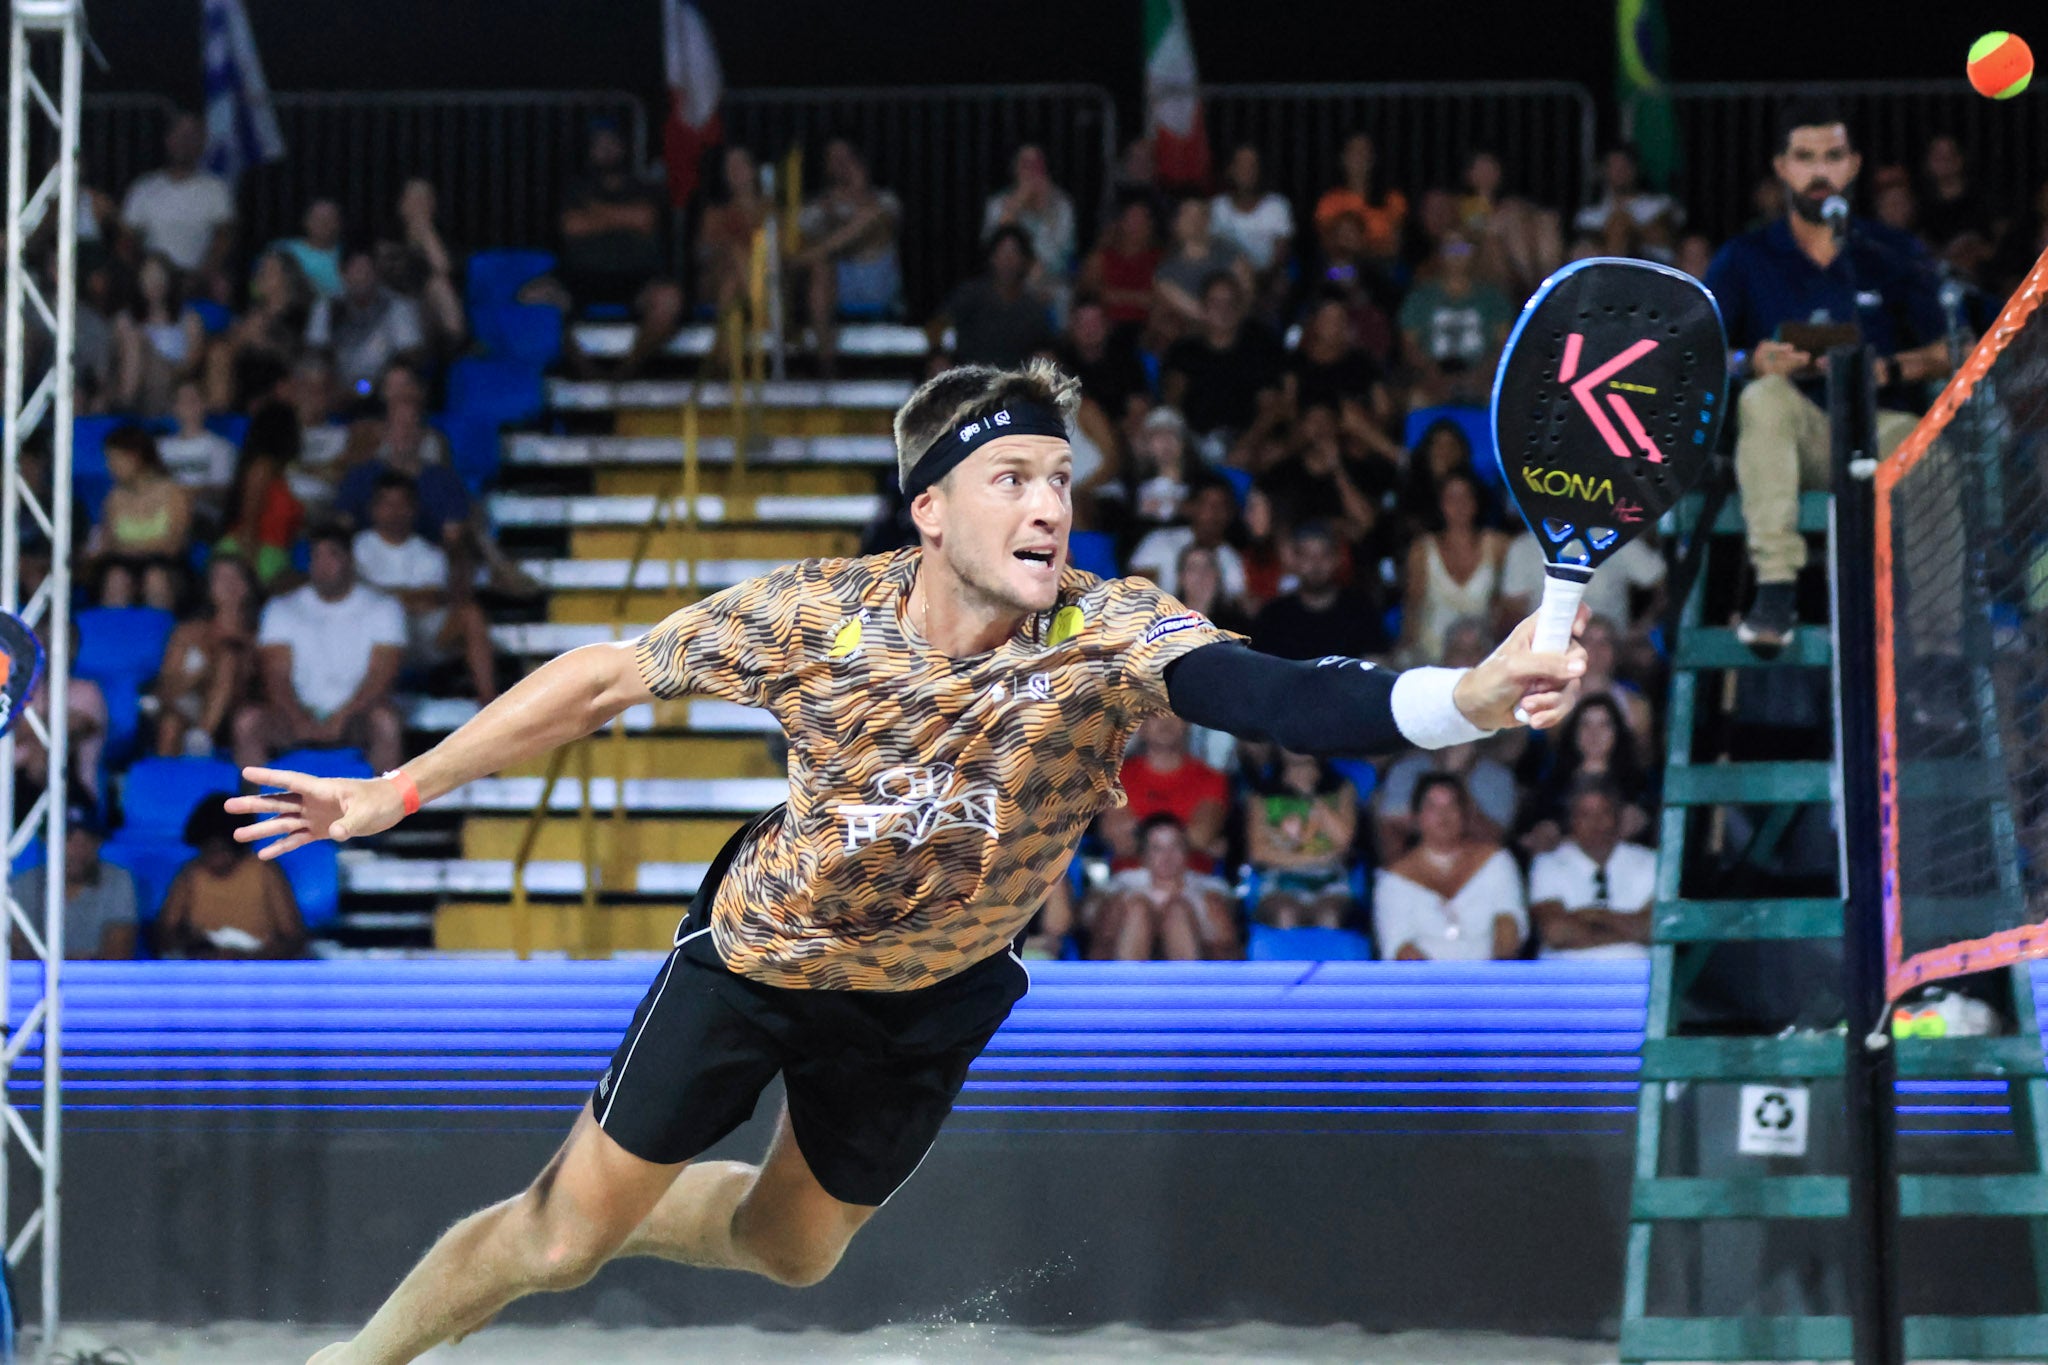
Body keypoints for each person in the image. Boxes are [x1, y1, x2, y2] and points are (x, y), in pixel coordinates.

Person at [230, 358, 1585, 1365]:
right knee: (559, 1238)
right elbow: (601, 678)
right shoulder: (817, 614)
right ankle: (353, 1360)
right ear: (931, 509)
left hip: (932, 991)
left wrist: (1468, 695)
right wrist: (395, 789)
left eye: (1062, 478)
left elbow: (1287, 697)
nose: (1050, 501)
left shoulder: (1113, 634)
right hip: (762, 956)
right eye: (1015, 478)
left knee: (794, 1255)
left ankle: (639, 1200)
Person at [1705, 99, 1949, 653]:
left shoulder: (1890, 250)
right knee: (1765, 398)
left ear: (1854, 164)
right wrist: (1750, 361)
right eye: (1805, 157)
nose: (1820, 172)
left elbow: (1950, 349)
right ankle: (1775, 590)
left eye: (1833, 157)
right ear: (1781, 167)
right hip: (1794, 435)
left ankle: (1940, 650)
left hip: (1877, 425)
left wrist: (1890, 368)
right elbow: (1692, 352)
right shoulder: (1746, 255)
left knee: (1935, 451)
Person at [234, 525, 406, 775]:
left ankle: (386, 809)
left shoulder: (384, 608)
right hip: (294, 716)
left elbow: (380, 677)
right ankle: (252, 809)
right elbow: (276, 677)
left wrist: (341, 718)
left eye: (332, 555)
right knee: (247, 722)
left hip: (355, 719)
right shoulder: (282, 608)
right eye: (316, 556)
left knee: (385, 722)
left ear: (349, 560)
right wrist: (299, 719)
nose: (323, 565)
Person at [536, 122, 684, 379]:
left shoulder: (643, 186)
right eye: (599, 144)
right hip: (580, 276)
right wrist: (623, 217)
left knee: (670, 299)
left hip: (636, 276)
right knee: (534, 297)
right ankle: (585, 370)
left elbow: (645, 219)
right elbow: (572, 226)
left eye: (611, 142)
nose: (606, 149)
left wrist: (595, 212)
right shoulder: (575, 188)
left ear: (623, 147)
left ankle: (626, 370)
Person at [353, 474, 499, 703]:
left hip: (420, 635)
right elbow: (356, 598)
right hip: (370, 637)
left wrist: (384, 594)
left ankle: (488, 700)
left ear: (414, 509)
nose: (395, 511)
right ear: (373, 509)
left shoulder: (428, 553)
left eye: (402, 504)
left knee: (470, 614)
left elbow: (431, 599)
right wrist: (405, 598)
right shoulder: (356, 549)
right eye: (387, 503)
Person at [1374, 772, 1526, 961]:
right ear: (1416, 817)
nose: (1443, 815)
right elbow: (1398, 945)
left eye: (1451, 805)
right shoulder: (1394, 879)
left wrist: (1495, 977)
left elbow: (1508, 923)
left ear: (1465, 814)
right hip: (1425, 986)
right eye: (1432, 807)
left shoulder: (1496, 861)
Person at [794, 139, 904, 375]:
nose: (842, 166)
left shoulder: (885, 202)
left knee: (869, 221)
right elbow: (803, 236)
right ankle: (827, 365)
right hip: (836, 286)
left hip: (876, 283)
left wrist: (834, 229)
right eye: (835, 160)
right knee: (820, 268)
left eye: (847, 159)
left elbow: (872, 228)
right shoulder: (817, 209)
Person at [157, 795, 306, 959]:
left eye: (222, 850)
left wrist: (248, 959)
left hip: (258, 965)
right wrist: (198, 950)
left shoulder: (265, 872)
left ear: (239, 848)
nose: (215, 859)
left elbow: (293, 937)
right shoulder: (191, 874)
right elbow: (166, 932)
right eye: (208, 850)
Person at [1528, 779, 1654, 961]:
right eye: (1585, 815)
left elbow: (1651, 929)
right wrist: (1628, 927)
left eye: (1604, 813)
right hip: (1566, 983)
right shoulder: (1547, 864)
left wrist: (1593, 915)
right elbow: (1557, 932)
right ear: (1571, 820)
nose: (1596, 823)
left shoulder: (1649, 861)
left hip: (1635, 981)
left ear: (1618, 817)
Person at [1084, 813, 1239, 961]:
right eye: (1157, 848)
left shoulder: (1208, 891)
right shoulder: (1121, 888)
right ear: (1143, 855)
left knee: (1177, 912)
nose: (1167, 857)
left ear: (1186, 851)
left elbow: (1229, 954)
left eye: (1175, 847)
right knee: (1138, 909)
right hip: (1126, 970)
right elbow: (1099, 946)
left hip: (1195, 970)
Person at [1517, 693, 1655, 856]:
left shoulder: (1637, 784)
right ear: (1574, 732)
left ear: (1617, 732)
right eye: (1585, 725)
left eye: (1604, 725)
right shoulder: (1552, 786)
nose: (1594, 733)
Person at [117, 113, 235, 301]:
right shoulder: (144, 188)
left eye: (191, 136)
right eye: (179, 135)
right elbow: (126, 240)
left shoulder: (215, 189)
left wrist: (201, 275)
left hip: (198, 280)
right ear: (168, 140)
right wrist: (141, 273)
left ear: (202, 142)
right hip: (151, 281)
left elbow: (224, 238)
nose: (184, 142)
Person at [1091, 712, 1230, 871]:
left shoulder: (1212, 778)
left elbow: (1201, 837)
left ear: (1188, 723)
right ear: (1139, 725)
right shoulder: (1116, 777)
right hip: (1132, 880)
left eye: (1174, 714)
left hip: (1194, 880)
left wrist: (1140, 831)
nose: (1165, 722)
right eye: (1154, 715)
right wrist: (1187, 838)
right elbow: (1121, 841)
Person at [1160, 272, 1284, 449]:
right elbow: (1173, 400)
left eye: (1229, 302)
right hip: (1194, 444)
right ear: (1203, 307)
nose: (1223, 309)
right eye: (1215, 302)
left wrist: (1245, 446)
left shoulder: (1259, 348)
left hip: (1243, 444)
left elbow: (1270, 407)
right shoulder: (1183, 351)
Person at [155, 554, 261, 758]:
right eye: (220, 578)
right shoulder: (188, 633)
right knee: (170, 725)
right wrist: (198, 676)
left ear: (247, 586)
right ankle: (165, 783)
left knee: (228, 660)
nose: (227, 585)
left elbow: (257, 685)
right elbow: (166, 687)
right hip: (189, 705)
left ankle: (203, 736)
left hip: (235, 713)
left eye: (234, 577)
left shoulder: (258, 636)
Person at [1400, 468, 1509, 666]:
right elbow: (1412, 608)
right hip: (1431, 656)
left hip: (1481, 657)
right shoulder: (1422, 550)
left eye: (1465, 497)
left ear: (1476, 502)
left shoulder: (1498, 545)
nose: (1459, 505)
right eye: (1451, 498)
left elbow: (1506, 605)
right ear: (1440, 504)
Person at [9, 794, 135, 961]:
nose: (79, 850)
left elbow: (117, 957)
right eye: (68, 839)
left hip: (98, 985)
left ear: (99, 843)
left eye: (88, 839)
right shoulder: (24, 885)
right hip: (37, 985)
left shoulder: (118, 881)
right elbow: (11, 956)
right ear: (46, 841)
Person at [1398, 230, 1513, 407]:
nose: (1456, 255)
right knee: (1417, 399)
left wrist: (1480, 376)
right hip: (1434, 376)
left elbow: (1504, 345)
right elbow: (1409, 346)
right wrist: (1433, 376)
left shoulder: (1493, 298)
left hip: (1482, 377)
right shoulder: (1421, 297)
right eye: (1450, 248)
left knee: (1497, 399)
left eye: (1462, 248)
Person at [1246, 749, 1357, 931]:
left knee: (1329, 917)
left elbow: (1344, 840)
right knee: (1286, 915)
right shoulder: (1262, 795)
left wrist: (1310, 795)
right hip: (1278, 882)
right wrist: (1317, 859)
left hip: (1331, 882)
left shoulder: (1342, 788)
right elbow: (1259, 852)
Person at [1249, 521, 1391, 663]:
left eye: (1324, 555)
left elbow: (1376, 662)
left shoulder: (1360, 609)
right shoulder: (1274, 616)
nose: (1316, 564)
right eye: (1307, 556)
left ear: (1337, 559)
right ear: (1295, 560)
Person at [88, 424, 192, 611]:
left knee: (155, 579)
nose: (110, 466)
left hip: (167, 567)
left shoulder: (174, 493)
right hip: (122, 565)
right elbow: (108, 544)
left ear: (135, 457)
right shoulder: (114, 498)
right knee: (116, 579)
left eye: (114, 459)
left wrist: (132, 548)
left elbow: (174, 545)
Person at [1373, 734, 1518, 860]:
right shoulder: (1406, 770)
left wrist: (1459, 780)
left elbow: (1493, 840)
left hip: (1474, 872)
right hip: (1413, 870)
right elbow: (1390, 832)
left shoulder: (1498, 777)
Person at [306, 249, 427, 398]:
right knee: (313, 373)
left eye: (366, 270)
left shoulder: (398, 306)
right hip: (338, 387)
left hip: (382, 387)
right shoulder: (327, 307)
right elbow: (316, 349)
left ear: (377, 273)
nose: (362, 277)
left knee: (400, 377)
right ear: (344, 274)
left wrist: (369, 386)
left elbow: (410, 353)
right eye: (356, 270)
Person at [931, 226, 1055, 370]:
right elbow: (937, 325)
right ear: (992, 257)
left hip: (1014, 384)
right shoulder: (970, 295)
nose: (1008, 260)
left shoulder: (1033, 308)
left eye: (1014, 253)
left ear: (1024, 261)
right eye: (1003, 253)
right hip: (969, 379)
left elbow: (1045, 348)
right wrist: (939, 355)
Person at [216, 402, 308, 587]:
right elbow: (249, 521)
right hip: (253, 554)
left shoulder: (280, 472)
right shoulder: (261, 468)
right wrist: (250, 573)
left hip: (276, 556)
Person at [112, 252, 205, 417]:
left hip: (175, 381)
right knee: (135, 342)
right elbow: (116, 358)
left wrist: (168, 372)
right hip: (139, 384)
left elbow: (193, 361)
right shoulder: (125, 319)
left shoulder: (189, 319)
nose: (155, 283)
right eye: (149, 277)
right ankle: (125, 403)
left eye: (160, 276)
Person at [981, 144, 1076, 300]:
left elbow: (1059, 260)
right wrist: (1013, 210)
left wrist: (1046, 211)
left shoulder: (1062, 205)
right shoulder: (998, 204)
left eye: (1037, 165)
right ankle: (931, 326)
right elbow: (993, 249)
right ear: (1015, 169)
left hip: (1052, 284)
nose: (1031, 171)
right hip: (1004, 284)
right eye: (1025, 164)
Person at [1210, 144, 1295, 315]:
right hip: (1224, 281)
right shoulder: (1217, 207)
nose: (1246, 171)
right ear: (1230, 170)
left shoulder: (1276, 206)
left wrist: (1255, 280)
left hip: (1266, 280)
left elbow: (1280, 256)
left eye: (1252, 165)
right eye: (1241, 165)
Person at [1128, 482, 1245, 602]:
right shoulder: (1160, 541)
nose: (1214, 512)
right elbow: (1137, 594)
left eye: (1221, 505)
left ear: (1230, 513)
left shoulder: (1232, 559)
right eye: (1207, 504)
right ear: (1190, 508)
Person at [1153, 196, 1254, 330]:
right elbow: (1198, 313)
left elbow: (1247, 294)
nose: (1196, 221)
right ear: (1175, 223)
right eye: (1188, 215)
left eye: (1201, 214)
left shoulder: (1232, 254)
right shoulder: (1165, 275)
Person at [1573, 144, 1684, 263]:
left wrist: (1627, 226)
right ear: (1602, 171)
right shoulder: (1588, 216)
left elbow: (1669, 237)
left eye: (1625, 166)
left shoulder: (1661, 204)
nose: (1620, 172)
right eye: (1614, 167)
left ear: (1636, 169)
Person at [1313, 132, 1406, 267]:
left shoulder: (1392, 199)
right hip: (1342, 266)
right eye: (1354, 152)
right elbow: (1325, 243)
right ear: (1343, 158)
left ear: (1373, 159)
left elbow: (1394, 247)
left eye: (1365, 152)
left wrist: (1362, 249)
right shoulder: (1329, 201)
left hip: (1381, 268)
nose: (1360, 158)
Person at [697, 146, 770, 317]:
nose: (735, 170)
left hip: (765, 277)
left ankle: (724, 340)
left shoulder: (771, 210)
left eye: (740, 164)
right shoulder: (715, 214)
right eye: (730, 166)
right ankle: (762, 314)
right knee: (733, 257)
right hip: (718, 275)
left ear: (753, 169)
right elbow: (703, 253)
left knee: (732, 283)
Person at [1078, 195, 1163, 334]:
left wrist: (1118, 296)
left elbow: (1156, 299)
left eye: (1141, 219)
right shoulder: (1101, 257)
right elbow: (1090, 293)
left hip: (1146, 330)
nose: (1136, 225)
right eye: (1131, 218)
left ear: (1151, 224)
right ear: (1120, 222)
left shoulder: (1160, 260)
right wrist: (1136, 298)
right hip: (1105, 328)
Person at [158, 378, 238, 513]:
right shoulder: (160, 447)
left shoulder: (221, 447)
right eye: (183, 401)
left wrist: (181, 493)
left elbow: (220, 491)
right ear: (175, 407)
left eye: (193, 400)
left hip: (202, 516)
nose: (188, 406)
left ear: (204, 404)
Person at [273, 199, 346, 300]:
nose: (324, 224)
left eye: (330, 219)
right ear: (306, 222)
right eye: (318, 219)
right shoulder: (284, 250)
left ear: (339, 224)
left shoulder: (348, 255)